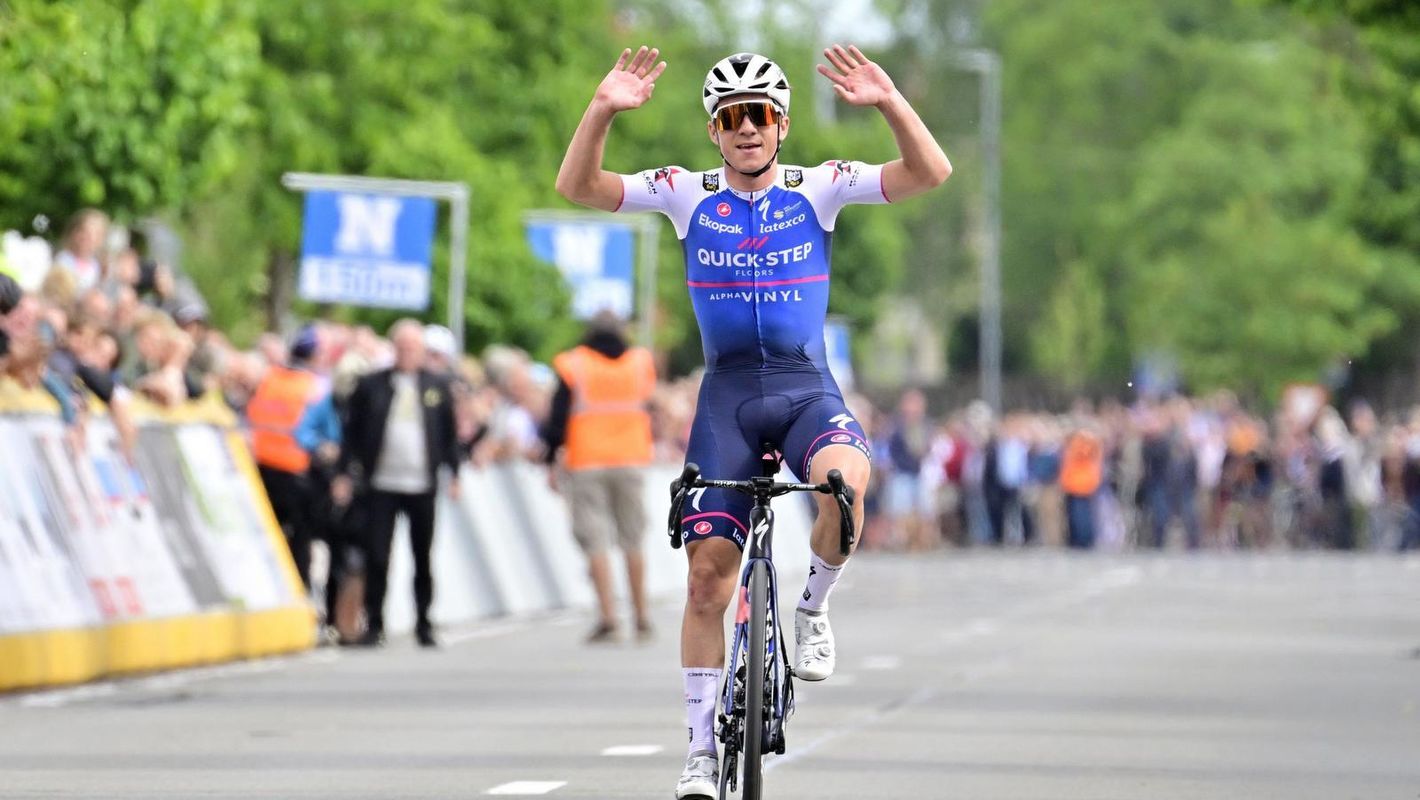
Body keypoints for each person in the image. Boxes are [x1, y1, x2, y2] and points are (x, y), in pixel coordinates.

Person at [556, 44, 951, 797]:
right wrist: (601, 109)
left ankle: (811, 609)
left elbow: (929, 174)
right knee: (707, 580)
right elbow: (577, 185)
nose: (746, 129)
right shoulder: (682, 193)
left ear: (782, 125)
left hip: (806, 392)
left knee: (845, 484)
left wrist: (892, 102)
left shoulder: (823, 186)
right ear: (714, 130)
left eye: (759, 116)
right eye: (731, 118)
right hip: (728, 400)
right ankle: (701, 753)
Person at [333, 319, 460, 648]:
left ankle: (424, 622)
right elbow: (352, 432)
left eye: (413, 348)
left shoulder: (436, 386)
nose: (407, 354)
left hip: (422, 484)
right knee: (377, 555)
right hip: (382, 483)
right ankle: (374, 623)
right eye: (401, 348)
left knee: (423, 555)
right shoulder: (371, 385)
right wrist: (345, 472)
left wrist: (454, 473)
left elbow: (449, 435)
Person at [541, 311, 657, 644]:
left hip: (587, 459)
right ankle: (641, 615)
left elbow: (558, 416)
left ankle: (608, 617)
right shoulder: (639, 362)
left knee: (595, 541)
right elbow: (649, 402)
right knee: (633, 538)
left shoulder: (574, 364)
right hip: (632, 457)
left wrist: (550, 457)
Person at [246, 324, 330, 588]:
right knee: (300, 541)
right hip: (296, 471)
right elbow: (324, 431)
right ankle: (299, 591)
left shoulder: (269, 378)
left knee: (266, 537)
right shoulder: (316, 386)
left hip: (262, 467)